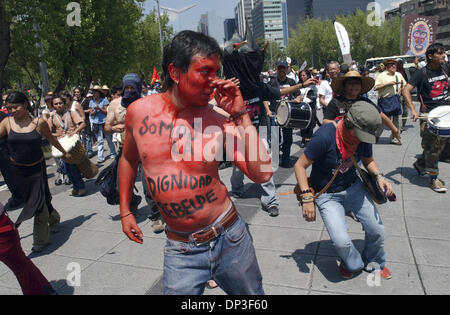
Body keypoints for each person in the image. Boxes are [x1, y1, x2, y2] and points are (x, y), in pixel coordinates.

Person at [119, 30, 272, 295]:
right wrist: (125, 210)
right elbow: (128, 159)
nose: (214, 81)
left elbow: (263, 174)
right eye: (205, 72)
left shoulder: (218, 119)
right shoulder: (138, 113)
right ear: (175, 72)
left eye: (217, 72)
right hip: (180, 250)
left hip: (230, 239)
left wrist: (239, 114)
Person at [294, 101, 393, 280]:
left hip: (354, 186)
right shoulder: (324, 136)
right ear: (348, 123)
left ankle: (375, 261)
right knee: (341, 242)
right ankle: (352, 262)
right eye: (359, 134)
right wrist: (308, 199)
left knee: (377, 230)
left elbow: (368, 159)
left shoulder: (363, 137)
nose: (361, 139)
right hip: (327, 194)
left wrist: (379, 176)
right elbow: (300, 166)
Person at [0, 92, 70, 253]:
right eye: (9, 108)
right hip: (19, 173)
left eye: (15, 107)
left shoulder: (39, 123)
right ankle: (54, 217)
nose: (13, 111)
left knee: (37, 205)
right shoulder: (6, 123)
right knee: (41, 199)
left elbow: (53, 141)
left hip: (37, 170)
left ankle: (40, 240)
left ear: (25, 104)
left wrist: (65, 153)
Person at [105, 74, 164, 233]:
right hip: (125, 150)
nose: (129, 91)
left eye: (132, 88)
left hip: (145, 150)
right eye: (127, 88)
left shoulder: (147, 104)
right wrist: (115, 128)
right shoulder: (115, 105)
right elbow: (107, 126)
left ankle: (155, 215)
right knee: (120, 186)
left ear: (138, 88)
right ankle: (133, 202)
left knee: (149, 186)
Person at [402, 42, 450, 193]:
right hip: (430, 116)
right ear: (430, 56)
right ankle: (433, 179)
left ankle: (420, 164)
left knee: (436, 147)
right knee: (433, 148)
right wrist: (413, 111)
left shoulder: (446, 69)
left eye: (444, 53)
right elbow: (405, 90)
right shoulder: (421, 73)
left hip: (445, 114)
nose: (444, 55)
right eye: (440, 53)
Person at [323, 71, 401, 144]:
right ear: (344, 86)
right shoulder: (336, 102)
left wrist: (394, 129)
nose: (354, 86)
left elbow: (381, 115)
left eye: (357, 83)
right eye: (350, 83)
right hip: (341, 141)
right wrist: (342, 124)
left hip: (362, 140)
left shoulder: (365, 101)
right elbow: (325, 121)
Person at [0, 202, 56, 295]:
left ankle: (41, 290)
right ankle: (45, 288)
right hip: (5, 230)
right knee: (22, 264)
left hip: (4, 235)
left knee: (21, 268)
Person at [48, 95, 86, 197]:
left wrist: (74, 131)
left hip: (73, 144)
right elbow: (47, 132)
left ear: (64, 104)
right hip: (61, 145)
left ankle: (80, 187)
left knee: (73, 165)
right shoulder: (52, 117)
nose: (59, 105)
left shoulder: (71, 113)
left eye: (60, 103)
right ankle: (76, 187)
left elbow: (82, 124)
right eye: (56, 104)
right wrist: (57, 135)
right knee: (66, 168)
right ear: (53, 106)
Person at [268, 60, 302, 167]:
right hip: (274, 113)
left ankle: (286, 160)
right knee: (275, 138)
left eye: (284, 68)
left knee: (288, 139)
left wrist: (298, 99)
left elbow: (299, 95)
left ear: (287, 69)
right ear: (276, 70)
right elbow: (264, 98)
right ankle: (275, 160)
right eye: (279, 68)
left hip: (287, 115)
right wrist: (268, 110)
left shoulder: (292, 82)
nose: (281, 70)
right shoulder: (272, 82)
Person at [374, 59, 407, 145]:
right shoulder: (381, 75)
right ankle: (376, 135)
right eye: (391, 65)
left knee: (396, 120)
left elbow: (404, 84)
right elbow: (376, 87)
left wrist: (403, 89)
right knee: (383, 121)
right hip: (385, 100)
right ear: (386, 67)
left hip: (396, 99)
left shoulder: (398, 74)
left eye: (394, 64)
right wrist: (387, 84)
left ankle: (395, 137)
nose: (394, 66)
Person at [89, 85, 117, 163]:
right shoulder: (91, 102)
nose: (94, 94)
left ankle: (113, 153)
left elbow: (107, 111)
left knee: (109, 138)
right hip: (96, 123)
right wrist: (93, 111)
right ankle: (100, 157)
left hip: (105, 122)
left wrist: (100, 109)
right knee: (99, 140)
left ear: (99, 93)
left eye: (95, 92)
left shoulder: (104, 100)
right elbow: (91, 113)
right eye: (93, 92)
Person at [298, 69, 318, 148]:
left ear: (308, 76)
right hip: (301, 107)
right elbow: (295, 94)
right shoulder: (298, 84)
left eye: (304, 75)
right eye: (301, 75)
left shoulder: (312, 85)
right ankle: (303, 138)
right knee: (302, 123)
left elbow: (314, 96)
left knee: (311, 123)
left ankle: (309, 139)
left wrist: (309, 98)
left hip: (311, 107)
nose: (302, 77)